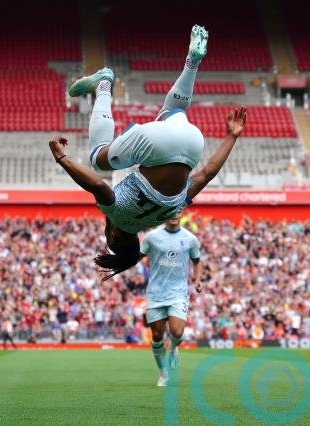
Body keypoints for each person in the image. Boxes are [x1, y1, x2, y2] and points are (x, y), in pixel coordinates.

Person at [50, 25, 246, 280]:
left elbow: (207, 173)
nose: (106, 231)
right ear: (114, 236)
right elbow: (97, 185)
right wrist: (61, 157)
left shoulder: (166, 216)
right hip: (157, 145)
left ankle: (193, 62)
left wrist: (232, 136)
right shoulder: (117, 216)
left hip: (193, 144)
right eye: (107, 235)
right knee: (97, 159)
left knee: (172, 110)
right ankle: (103, 84)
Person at [139, 213, 202, 386]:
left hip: (178, 293)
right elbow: (137, 256)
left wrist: (197, 279)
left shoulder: (190, 239)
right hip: (155, 294)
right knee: (157, 336)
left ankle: (174, 347)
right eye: (171, 211)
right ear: (165, 211)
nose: (174, 215)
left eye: (178, 211)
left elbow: (197, 261)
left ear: (182, 213)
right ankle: (163, 373)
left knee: (177, 332)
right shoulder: (151, 237)